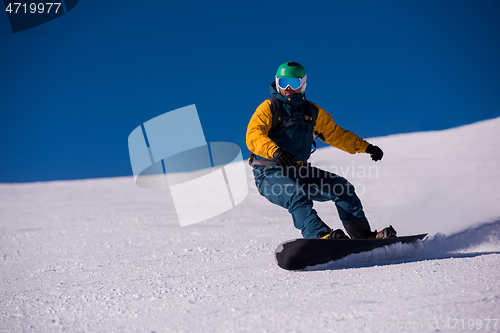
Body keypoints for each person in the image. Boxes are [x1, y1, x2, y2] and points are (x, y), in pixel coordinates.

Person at [246, 62, 396, 240]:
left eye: (293, 83)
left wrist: (366, 147)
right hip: (269, 172)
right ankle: (320, 236)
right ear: (276, 83)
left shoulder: (311, 111)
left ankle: (364, 237)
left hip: (300, 171)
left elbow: (335, 134)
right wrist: (275, 151)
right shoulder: (270, 107)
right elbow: (254, 134)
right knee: (296, 195)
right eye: (283, 82)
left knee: (342, 188)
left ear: (303, 85)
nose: (287, 88)